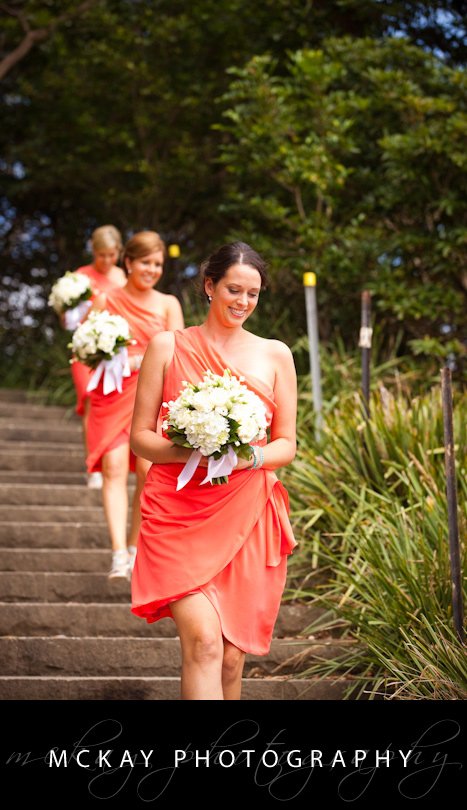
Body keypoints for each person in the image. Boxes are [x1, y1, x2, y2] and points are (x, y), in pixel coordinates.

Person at [130, 241, 298, 700]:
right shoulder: (167, 347)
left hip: (248, 513)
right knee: (203, 641)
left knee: (229, 657)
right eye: (233, 289)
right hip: (177, 511)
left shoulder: (276, 354)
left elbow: (287, 443)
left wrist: (249, 457)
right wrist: (197, 452)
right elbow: (140, 438)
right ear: (209, 286)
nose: (243, 302)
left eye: (253, 293)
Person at [86, 230, 185, 579]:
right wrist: (115, 361)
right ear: (128, 262)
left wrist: (140, 360)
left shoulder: (169, 303)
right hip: (111, 396)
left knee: (146, 471)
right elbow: (87, 350)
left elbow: (176, 355)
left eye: (158, 264)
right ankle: (117, 554)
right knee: (113, 468)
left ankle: (133, 545)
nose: (152, 269)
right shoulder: (104, 300)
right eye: (146, 262)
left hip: (151, 397)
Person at [67, 225, 126, 489]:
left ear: (119, 253)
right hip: (88, 354)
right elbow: (70, 320)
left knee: (112, 407)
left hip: (115, 354)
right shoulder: (80, 278)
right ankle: (94, 467)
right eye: (101, 255)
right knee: (91, 404)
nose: (106, 260)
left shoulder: (123, 276)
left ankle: (111, 461)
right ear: (93, 251)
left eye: (111, 255)